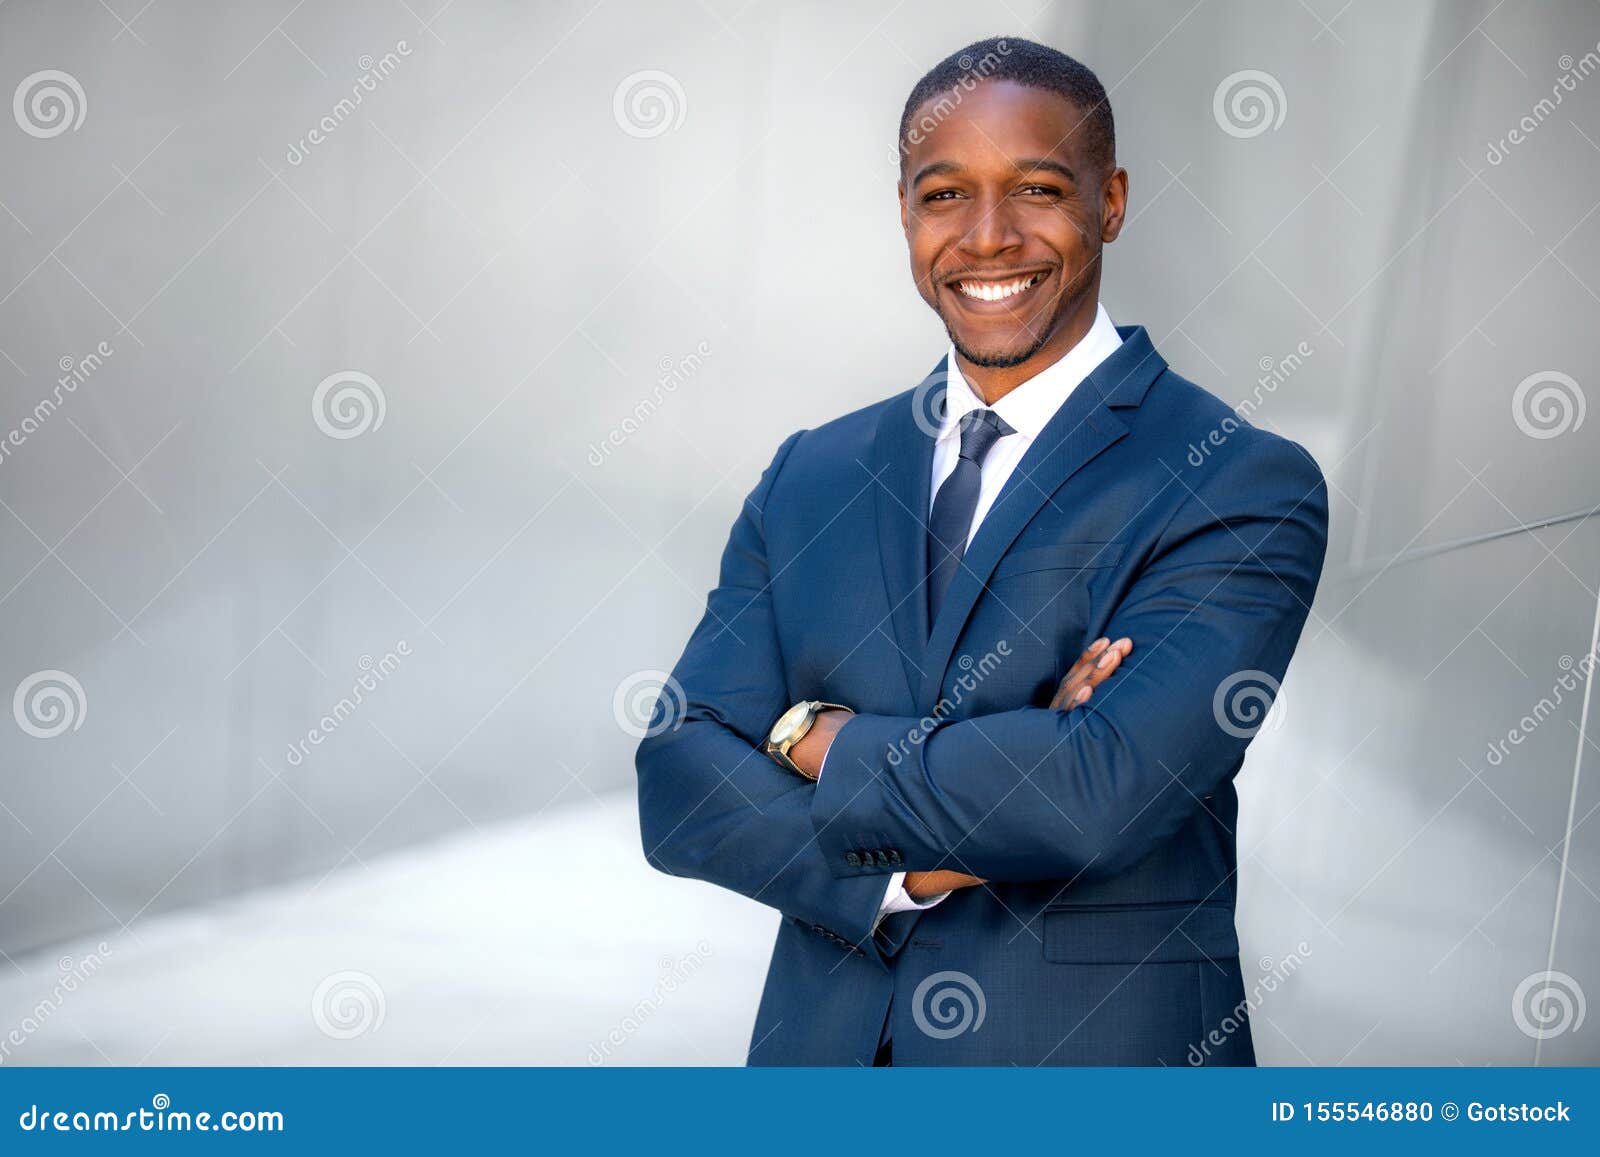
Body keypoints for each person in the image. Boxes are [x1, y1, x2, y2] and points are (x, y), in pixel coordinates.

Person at [635, 36, 1329, 1066]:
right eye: (945, 194)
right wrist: (922, 856)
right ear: (906, 212)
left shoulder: (1234, 478)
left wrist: (810, 739)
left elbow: (1095, 794)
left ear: (1111, 202)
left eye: (1038, 189)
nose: (988, 237)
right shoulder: (811, 475)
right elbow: (678, 782)